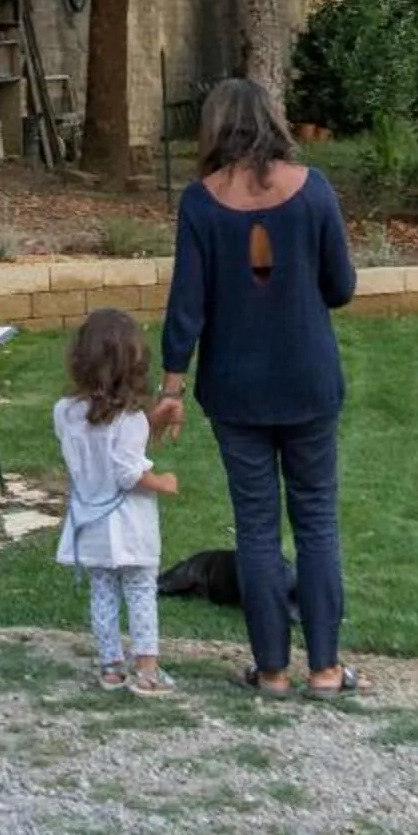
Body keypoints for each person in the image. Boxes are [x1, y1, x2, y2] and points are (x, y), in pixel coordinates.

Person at [154, 76, 360, 699]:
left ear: (215, 127)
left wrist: (171, 384)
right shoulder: (314, 190)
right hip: (308, 380)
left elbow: (187, 305)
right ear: (272, 121)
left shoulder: (200, 202)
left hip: (235, 388)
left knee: (257, 526)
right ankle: (325, 670)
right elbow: (341, 286)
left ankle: (270, 670)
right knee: (317, 518)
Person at [54, 307, 180, 696]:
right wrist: (163, 481)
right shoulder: (130, 420)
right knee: (140, 589)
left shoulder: (64, 412)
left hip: (89, 521)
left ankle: (111, 666)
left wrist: (150, 426)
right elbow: (128, 473)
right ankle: (147, 668)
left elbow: (97, 449)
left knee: (103, 591)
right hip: (129, 525)